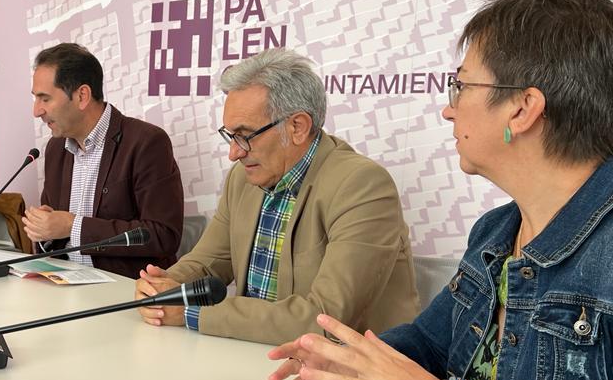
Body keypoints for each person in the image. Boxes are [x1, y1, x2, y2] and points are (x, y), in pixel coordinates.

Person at [269, 0, 613, 380]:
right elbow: (430, 345)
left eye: (461, 87)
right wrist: (347, 363)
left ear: (522, 110)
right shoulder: (495, 234)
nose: (449, 109)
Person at [135, 48, 419, 344]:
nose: (235, 152)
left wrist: (192, 312)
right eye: (230, 136)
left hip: (343, 372)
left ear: (297, 127)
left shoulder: (362, 185)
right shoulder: (243, 178)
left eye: (245, 135)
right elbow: (209, 262)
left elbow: (325, 319)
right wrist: (164, 288)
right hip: (253, 352)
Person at [24, 43, 183, 278]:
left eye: (44, 99)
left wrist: (72, 226)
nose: (36, 111)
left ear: (82, 96)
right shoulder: (56, 148)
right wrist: (46, 232)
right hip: (63, 289)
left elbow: (162, 235)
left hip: (123, 293)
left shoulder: (146, 142)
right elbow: (55, 240)